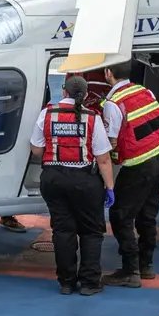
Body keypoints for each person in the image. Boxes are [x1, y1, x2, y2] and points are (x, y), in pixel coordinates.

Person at [30, 74, 117, 295]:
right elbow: (103, 158)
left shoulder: (46, 115)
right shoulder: (92, 118)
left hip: (53, 179)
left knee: (62, 230)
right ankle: (89, 282)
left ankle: (66, 282)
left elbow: (36, 150)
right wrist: (109, 187)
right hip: (84, 181)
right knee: (91, 231)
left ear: (64, 92)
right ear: (86, 95)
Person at [101, 61, 159, 285]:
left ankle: (130, 271)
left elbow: (110, 142)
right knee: (147, 215)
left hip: (137, 166)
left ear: (108, 73)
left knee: (120, 215)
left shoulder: (113, 103)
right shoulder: (144, 91)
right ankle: (146, 265)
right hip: (158, 158)